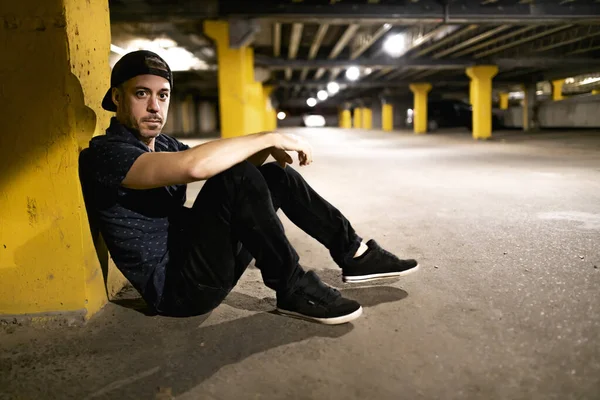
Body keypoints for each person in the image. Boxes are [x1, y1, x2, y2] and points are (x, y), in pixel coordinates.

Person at [82, 50, 419, 325]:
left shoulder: (165, 143)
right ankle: (292, 288)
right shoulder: (107, 154)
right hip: (178, 291)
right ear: (117, 97)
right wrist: (267, 136)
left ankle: (355, 254)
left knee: (274, 176)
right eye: (142, 94)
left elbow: (222, 171)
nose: (155, 106)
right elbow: (195, 167)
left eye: (163, 95)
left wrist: (259, 153)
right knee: (238, 175)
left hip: (197, 259)